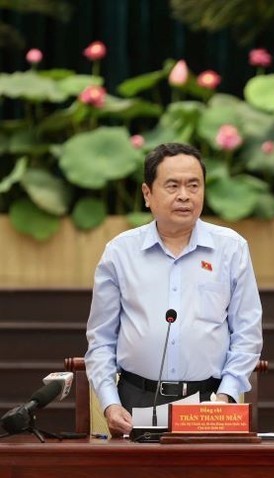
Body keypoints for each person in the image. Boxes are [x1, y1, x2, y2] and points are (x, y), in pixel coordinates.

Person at [85, 142, 263, 437]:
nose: (185, 195)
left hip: (208, 403)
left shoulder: (231, 249)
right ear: (147, 194)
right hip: (136, 400)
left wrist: (226, 397)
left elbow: (247, 333)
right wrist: (110, 404)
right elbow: (101, 340)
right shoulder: (120, 253)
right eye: (173, 185)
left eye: (194, 185)